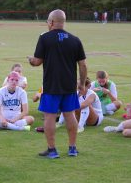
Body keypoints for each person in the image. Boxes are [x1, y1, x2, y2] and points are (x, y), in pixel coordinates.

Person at [27, 9, 87, 159]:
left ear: (51, 22)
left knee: (49, 117)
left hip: (51, 85)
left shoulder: (44, 38)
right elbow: (83, 65)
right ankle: (72, 148)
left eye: (48, 21)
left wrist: (30, 60)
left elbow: (37, 61)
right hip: (69, 85)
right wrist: (82, 84)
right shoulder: (75, 39)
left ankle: (52, 150)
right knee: (70, 115)